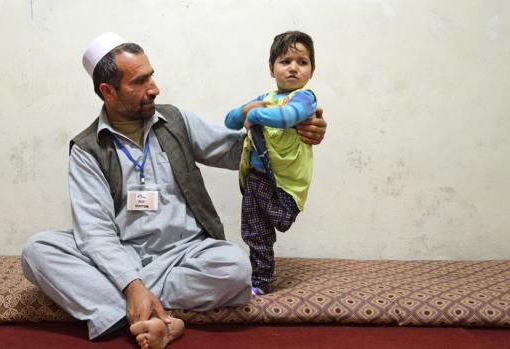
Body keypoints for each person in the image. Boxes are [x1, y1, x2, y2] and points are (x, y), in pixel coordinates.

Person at [21, 32, 327, 349]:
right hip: (123, 254)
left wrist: (294, 134)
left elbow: (239, 151)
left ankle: (124, 308)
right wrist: (130, 281)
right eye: (139, 82)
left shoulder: (174, 120)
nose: (154, 88)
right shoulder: (87, 150)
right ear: (109, 92)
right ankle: (160, 319)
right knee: (38, 251)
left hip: (186, 254)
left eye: (151, 76)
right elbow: (95, 232)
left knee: (235, 268)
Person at [224, 31, 318, 296]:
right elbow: (230, 121)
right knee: (256, 232)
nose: (293, 68)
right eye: (285, 61)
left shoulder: (305, 98)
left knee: (278, 217)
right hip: (255, 176)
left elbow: (288, 117)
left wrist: (255, 114)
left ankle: (281, 216)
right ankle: (261, 281)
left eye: (302, 62)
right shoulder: (265, 97)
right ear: (271, 68)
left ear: (312, 70)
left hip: (283, 182)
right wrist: (246, 110)